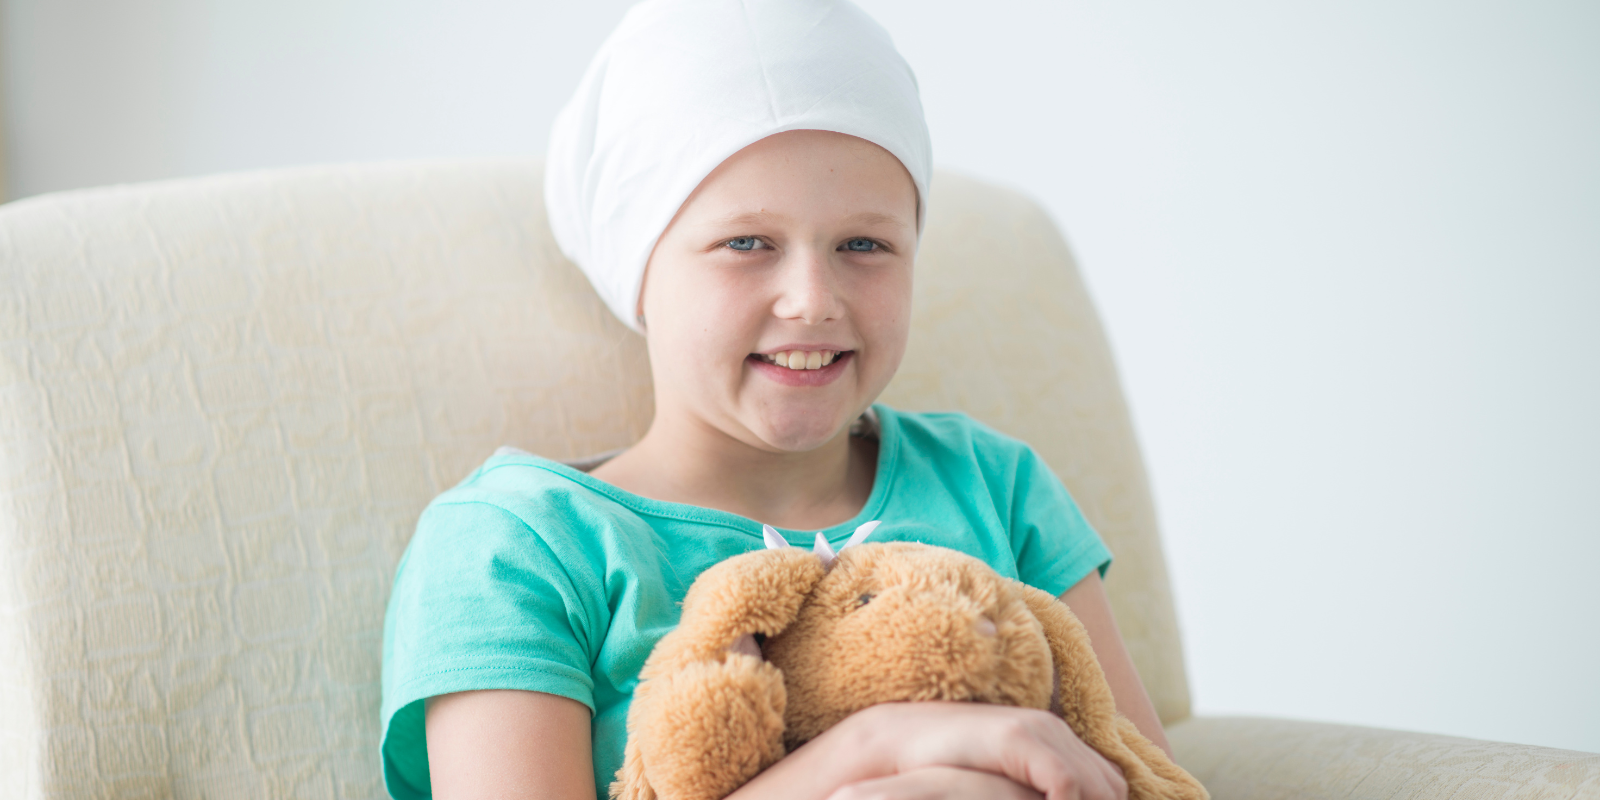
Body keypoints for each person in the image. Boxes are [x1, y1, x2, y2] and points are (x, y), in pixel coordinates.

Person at [381, 1, 1169, 798]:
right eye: (746, 244)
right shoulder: (516, 548)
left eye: (865, 244)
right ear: (639, 270)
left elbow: (1145, 779)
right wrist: (873, 751)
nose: (812, 300)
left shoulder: (995, 487)